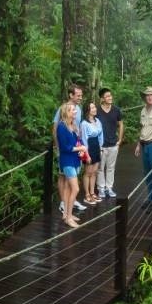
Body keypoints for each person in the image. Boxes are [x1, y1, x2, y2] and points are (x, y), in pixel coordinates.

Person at [53, 85, 87, 214]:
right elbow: (55, 129)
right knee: (63, 176)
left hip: (75, 150)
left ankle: (70, 201)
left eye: (81, 95)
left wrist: (80, 147)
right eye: (78, 95)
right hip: (65, 150)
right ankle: (63, 202)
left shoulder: (78, 109)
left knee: (72, 179)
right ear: (71, 95)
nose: (80, 97)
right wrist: (59, 148)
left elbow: (76, 129)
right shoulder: (63, 109)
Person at [97, 87, 124, 198]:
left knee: (110, 167)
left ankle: (109, 187)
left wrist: (120, 140)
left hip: (113, 144)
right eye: (107, 96)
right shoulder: (97, 110)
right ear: (102, 98)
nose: (110, 97)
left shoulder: (116, 110)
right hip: (101, 145)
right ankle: (101, 189)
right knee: (100, 168)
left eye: (110, 95)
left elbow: (121, 124)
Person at [80, 101, 104, 204]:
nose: (95, 109)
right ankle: (87, 194)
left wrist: (101, 148)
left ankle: (92, 192)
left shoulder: (97, 121)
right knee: (88, 172)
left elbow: (100, 135)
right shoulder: (84, 124)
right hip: (88, 147)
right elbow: (84, 139)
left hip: (96, 147)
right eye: (92, 108)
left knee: (94, 172)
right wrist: (87, 154)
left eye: (95, 107)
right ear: (88, 110)